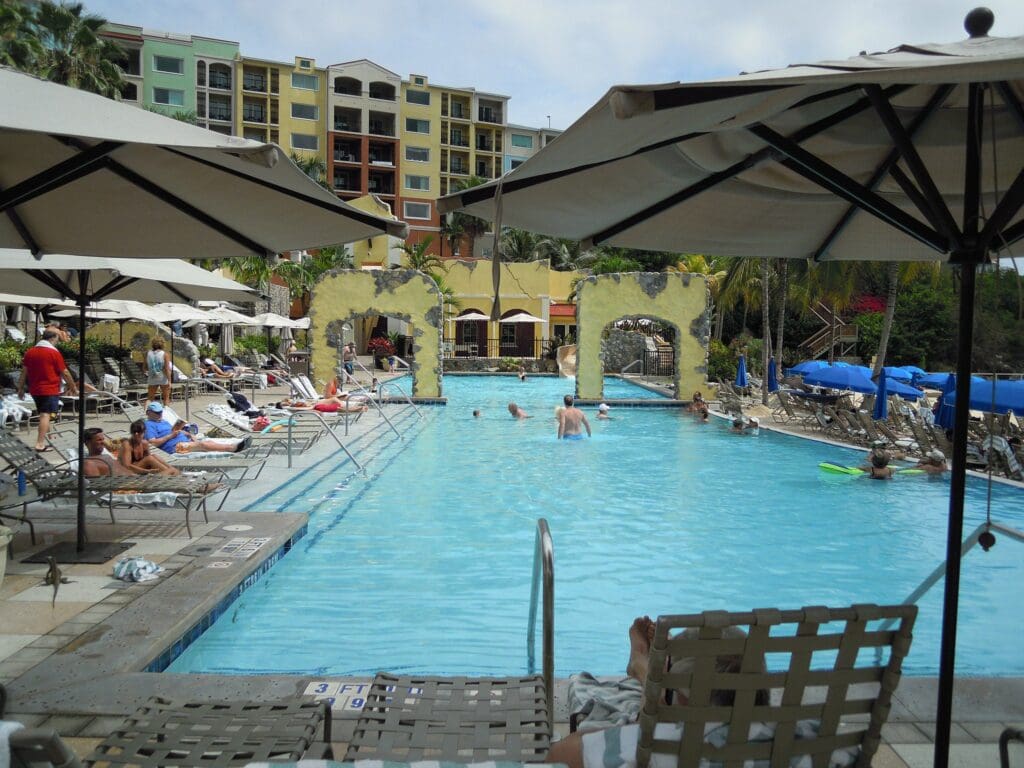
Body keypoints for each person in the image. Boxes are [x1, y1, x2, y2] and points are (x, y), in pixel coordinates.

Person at [544, 616, 766, 768]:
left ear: (681, 697)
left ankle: (647, 672)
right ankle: (649, 672)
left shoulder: (661, 745)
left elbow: (557, 757)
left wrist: (650, 681)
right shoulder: (793, 739)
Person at [17, 329, 77, 452]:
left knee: (45, 414)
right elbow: (65, 372)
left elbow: (24, 372)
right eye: (57, 339)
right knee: (45, 415)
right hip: (49, 389)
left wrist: (20, 388)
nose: (57, 342)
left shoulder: (30, 352)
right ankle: (39, 444)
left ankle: (49, 439)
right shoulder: (53, 353)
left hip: (35, 389)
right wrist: (73, 387)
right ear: (52, 339)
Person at [144, 402, 250, 454]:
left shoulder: (163, 421)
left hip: (185, 441)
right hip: (175, 448)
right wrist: (171, 435)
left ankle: (233, 444)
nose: (160, 414)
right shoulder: (148, 425)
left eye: (160, 412)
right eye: (157, 413)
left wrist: (187, 434)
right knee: (203, 444)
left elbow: (173, 432)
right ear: (148, 413)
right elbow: (153, 443)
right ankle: (232, 449)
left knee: (208, 442)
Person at [146, 339, 172, 404]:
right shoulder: (165, 354)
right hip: (162, 378)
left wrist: (149, 372)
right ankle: (166, 413)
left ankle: (147, 412)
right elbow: (167, 369)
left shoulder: (148, 353)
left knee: (150, 398)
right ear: (163, 345)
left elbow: (144, 367)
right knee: (166, 398)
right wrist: (169, 381)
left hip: (152, 377)